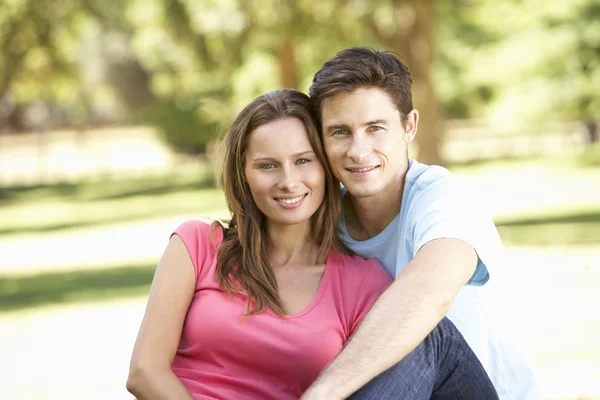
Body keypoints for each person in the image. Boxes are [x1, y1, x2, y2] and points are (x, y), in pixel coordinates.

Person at [126, 89, 498, 399]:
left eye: (303, 161)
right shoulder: (197, 245)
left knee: (430, 334)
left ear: (325, 167)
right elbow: (144, 373)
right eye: (267, 165)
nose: (288, 181)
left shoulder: (362, 282)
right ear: (242, 172)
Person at [300, 47, 540, 400]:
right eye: (340, 132)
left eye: (375, 128)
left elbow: (431, 292)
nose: (357, 149)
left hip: (474, 391)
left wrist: (322, 394)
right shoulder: (322, 218)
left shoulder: (444, 200)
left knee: (424, 330)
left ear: (409, 125)